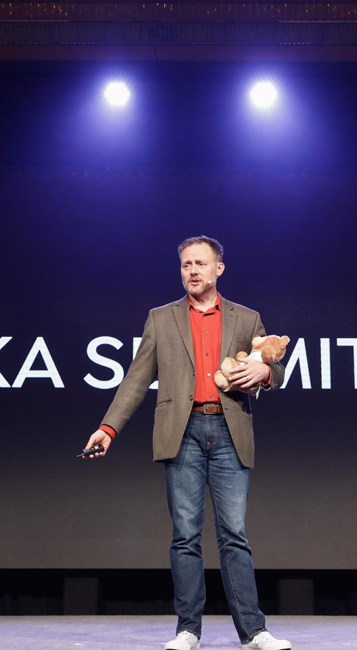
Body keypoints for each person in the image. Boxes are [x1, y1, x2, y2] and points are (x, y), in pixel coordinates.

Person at [83, 235, 291, 650]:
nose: (192, 271)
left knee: (234, 534)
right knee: (185, 536)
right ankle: (188, 630)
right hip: (183, 432)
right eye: (185, 265)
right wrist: (108, 429)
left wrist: (263, 376)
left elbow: (276, 368)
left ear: (219, 269)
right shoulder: (161, 319)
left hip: (230, 432)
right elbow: (137, 379)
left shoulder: (246, 319)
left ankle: (253, 631)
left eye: (200, 263)